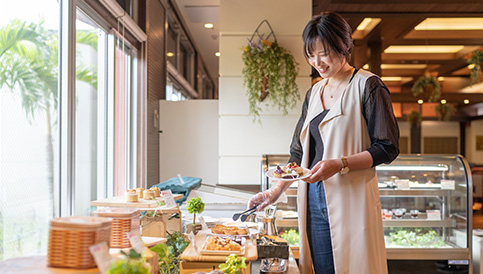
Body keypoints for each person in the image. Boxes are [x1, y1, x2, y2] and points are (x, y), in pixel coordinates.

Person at [248, 11, 399, 274]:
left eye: (325, 52)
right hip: (313, 198)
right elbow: (298, 153)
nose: (317, 61)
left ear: (345, 46)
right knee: (321, 266)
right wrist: (275, 192)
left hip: (351, 198)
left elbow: (387, 147)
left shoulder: (368, 86)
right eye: (311, 54)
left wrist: (341, 164)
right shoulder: (314, 91)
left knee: (353, 264)